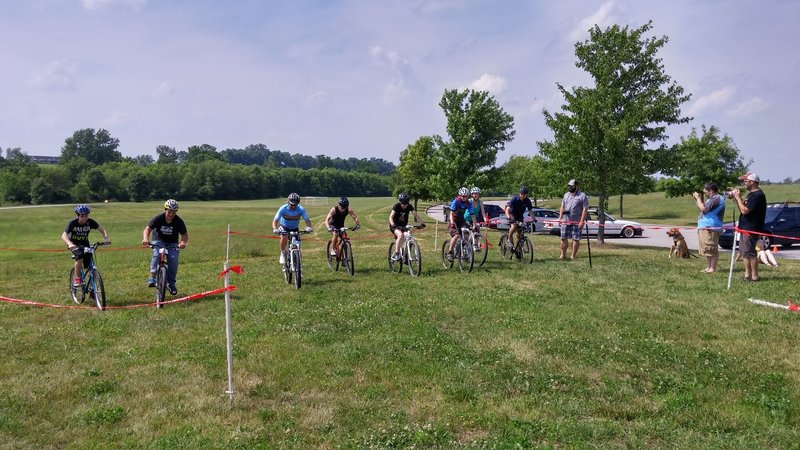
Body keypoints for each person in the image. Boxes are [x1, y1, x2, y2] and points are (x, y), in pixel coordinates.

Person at [141, 199, 188, 295]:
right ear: (165, 209)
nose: (171, 214)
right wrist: (145, 238)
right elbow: (147, 229)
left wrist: (183, 242)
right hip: (158, 241)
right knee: (156, 254)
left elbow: (184, 235)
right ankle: (152, 278)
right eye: (169, 212)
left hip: (172, 243)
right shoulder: (158, 218)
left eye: (173, 212)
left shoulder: (178, 221)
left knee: (173, 260)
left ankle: (171, 284)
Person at [62, 204, 110, 287]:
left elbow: (102, 229)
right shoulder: (72, 223)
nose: (84, 218)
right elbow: (63, 235)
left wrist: (106, 238)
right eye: (82, 216)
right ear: (78, 216)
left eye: (86, 216)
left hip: (85, 243)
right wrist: (70, 244)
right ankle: (77, 279)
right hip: (74, 244)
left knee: (89, 264)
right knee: (80, 256)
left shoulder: (90, 222)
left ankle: (92, 288)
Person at [732, 172, 767, 282]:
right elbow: (744, 207)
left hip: (751, 228)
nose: (743, 183)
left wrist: (738, 198)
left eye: (745, 181)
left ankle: (755, 276)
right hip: (745, 227)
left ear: (752, 182)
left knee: (750, 252)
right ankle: (747, 275)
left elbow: (745, 211)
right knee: (744, 252)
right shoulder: (751, 194)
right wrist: (737, 199)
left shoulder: (758, 195)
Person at [693, 182, 726, 273]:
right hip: (705, 226)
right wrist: (698, 200)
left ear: (711, 190)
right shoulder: (711, 199)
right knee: (707, 249)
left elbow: (703, 209)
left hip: (711, 227)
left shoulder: (717, 198)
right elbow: (702, 207)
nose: (705, 193)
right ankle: (709, 267)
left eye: (706, 191)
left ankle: (712, 268)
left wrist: (698, 198)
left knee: (711, 247)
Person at [272, 193, 313, 264]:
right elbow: (275, 220)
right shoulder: (283, 209)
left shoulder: (301, 209)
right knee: (284, 236)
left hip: (294, 228)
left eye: (295, 205)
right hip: (284, 226)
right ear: (288, 202)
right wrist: (275, 228)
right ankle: (283, 253)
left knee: (298, 245)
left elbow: (307, 220)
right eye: (291, 205)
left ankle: (298, 267)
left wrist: (309, 227)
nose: (293, 207)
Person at [558, 179, 589, 260]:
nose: (570, 187)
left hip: (576, 221)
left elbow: (585, 209)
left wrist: (582, 222)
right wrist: (560, 218)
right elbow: (562, 207)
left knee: (575, 239)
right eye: (569, 186)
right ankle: (563, 255)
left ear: (576, 186)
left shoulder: (582, 195)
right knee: (563, 238)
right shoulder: (566, 195)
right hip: (565, 220)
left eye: (572, 186)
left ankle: (573, 256)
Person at [389, 192, 425, 261]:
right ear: (400, 202)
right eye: (403, 204)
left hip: (403, 226)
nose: (405, 205)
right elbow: (391, 217)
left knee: (408, 235)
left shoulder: (409, 206)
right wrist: (393, 224)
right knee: (400, 235)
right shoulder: (396, 206)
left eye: (406, 203)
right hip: (394, 225)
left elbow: (416, 215)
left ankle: (406, 254)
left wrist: (422, 223)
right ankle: (397, 254)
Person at [505, 186, 535, 256]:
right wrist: (509, 217)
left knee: (519, 234)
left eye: (524, 194)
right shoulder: (515, 199)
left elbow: (530, 210)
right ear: (519, 194)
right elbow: (507, 209)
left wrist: (533, 218)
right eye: (521, 194)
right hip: (512, 214)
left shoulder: (527, 200)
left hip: (520, 216)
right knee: (514, 225)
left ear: (526, 195)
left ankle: (518, 250)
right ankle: (509, 239)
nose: (522, 196)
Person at [446, 187, 472, 261]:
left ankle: (463, 251)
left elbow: (472, 214)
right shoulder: (456, 201)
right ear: (460, 196)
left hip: (461, 220)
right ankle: (450, 253)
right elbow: (451, 213)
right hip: (453, 219)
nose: (464, 198)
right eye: (463, 196)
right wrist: (452, 223)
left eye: (466, 196)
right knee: (456, 235)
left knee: (466, 234)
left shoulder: (468, 203)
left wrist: (475, 223)